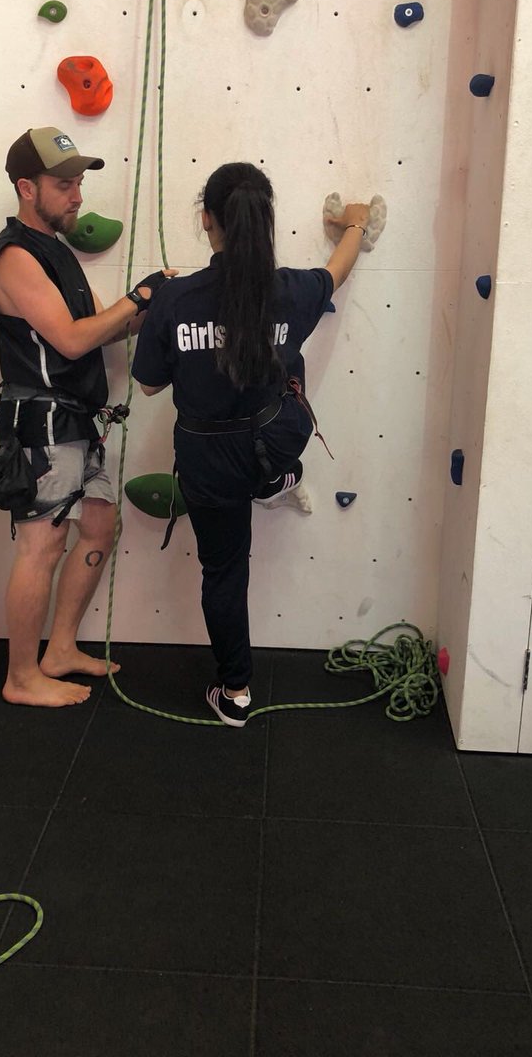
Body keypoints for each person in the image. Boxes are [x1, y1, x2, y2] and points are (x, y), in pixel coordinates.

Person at [131, 162, 370, 726]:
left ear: (206, 219)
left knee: (224, 572)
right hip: (273, 439)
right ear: (265, 221)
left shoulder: (175, 298)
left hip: (207, 461)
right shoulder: (291, 290)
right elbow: (338, 270)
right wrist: (356, 224)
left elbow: (147, 384)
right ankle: (273, 478)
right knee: (293, 373)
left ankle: (235, 694)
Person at [0, 126, 174, 707]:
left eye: (79, 183)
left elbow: (102, 328)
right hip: (41, 422)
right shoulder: (16, 257)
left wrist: (157, 303)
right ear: (26, 188)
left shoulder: (56, 253)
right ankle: (21, 677)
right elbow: (70, 341)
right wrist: (136, 301)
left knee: (99, 525)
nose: (78, 196)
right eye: (64, 185)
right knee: (41, 547)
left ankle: (59, 648)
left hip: (76, 420)